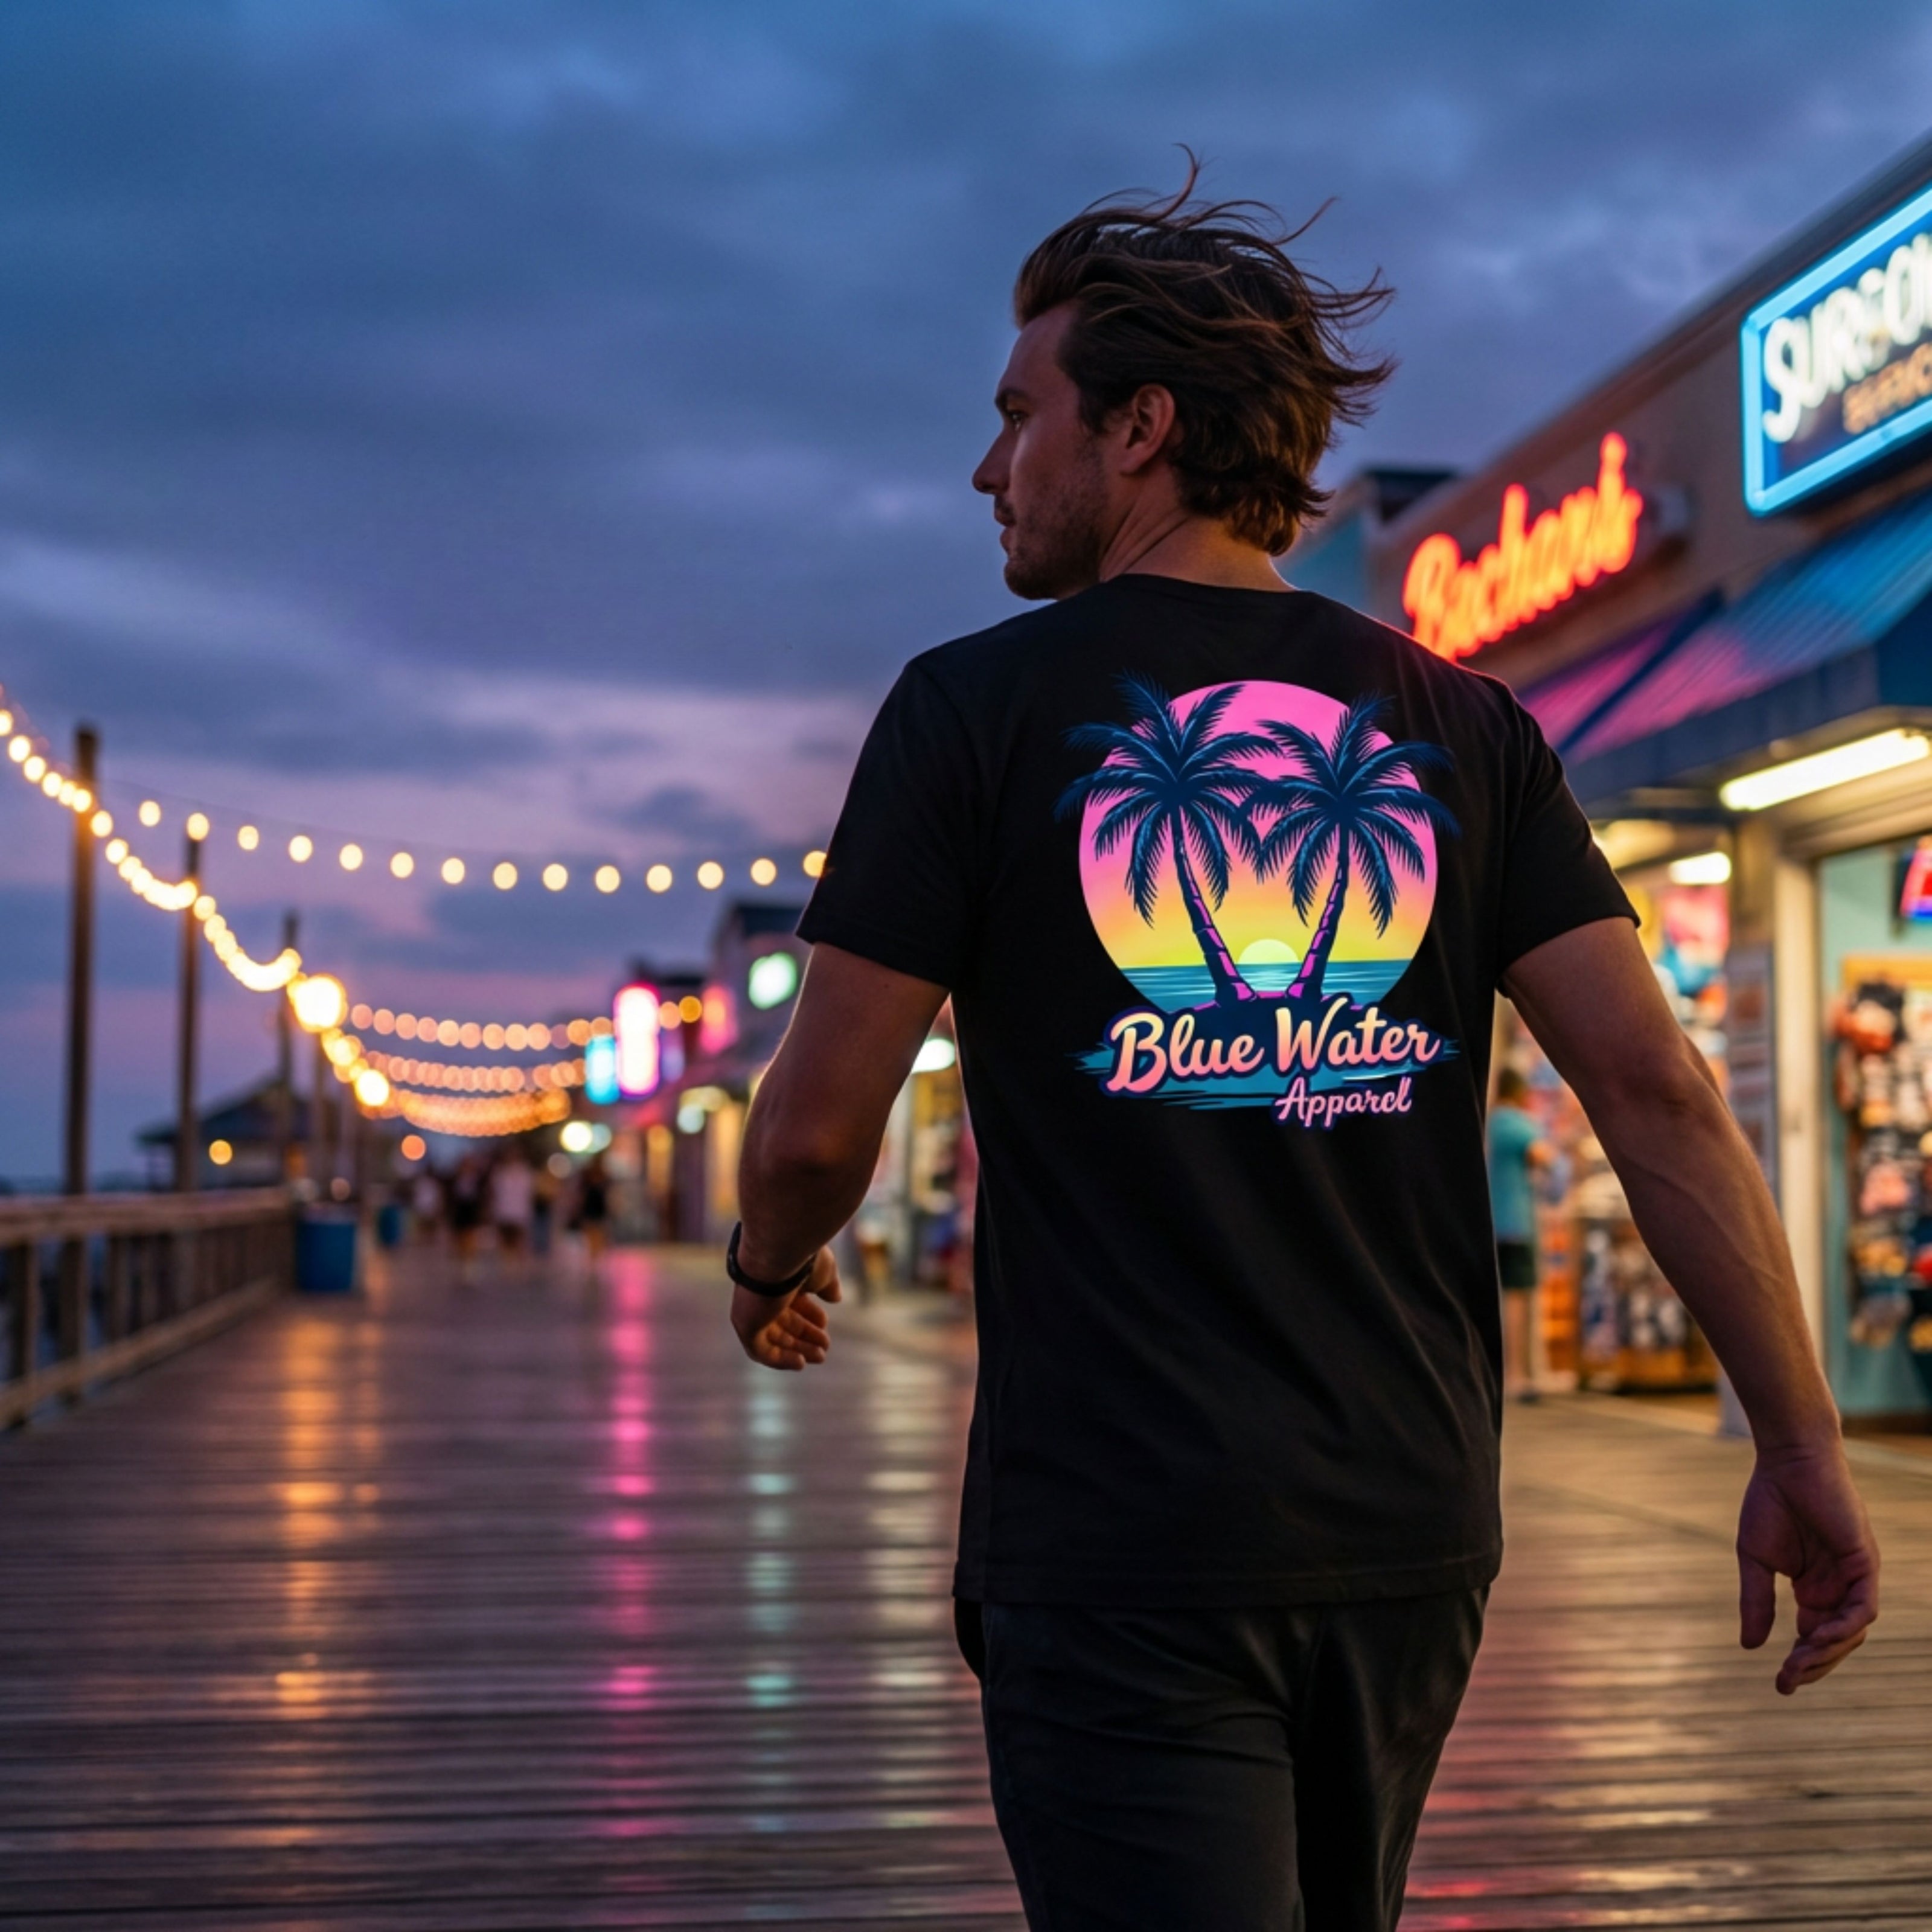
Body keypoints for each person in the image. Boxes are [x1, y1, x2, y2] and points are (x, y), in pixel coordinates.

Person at [725, 174, 1879, 1932]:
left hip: (1119, 1535)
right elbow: (1649, 1088)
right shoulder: (1462, 721)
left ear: (1138, 428)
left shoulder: (970, 709)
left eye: (1014, 415)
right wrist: (1796, 1435)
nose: (988, 469)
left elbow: (814, 1128)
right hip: (1405, 1527)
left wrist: (767, 1256)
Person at [1488, 1065, 1552, 1400]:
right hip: (1516, 1222)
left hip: (1496, 1221)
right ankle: (1518, 1376)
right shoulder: (1514, 1123)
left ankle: (1511, 1374)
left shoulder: (1491, 1122)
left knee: (1507, 1297)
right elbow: (1543, 1157)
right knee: (1517, 1298)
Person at [490, 1148, 534, 1258]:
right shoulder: (500, 1173)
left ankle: (517, 1267)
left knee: (519, 1241)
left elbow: (530, 1194)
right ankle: (507, 1264)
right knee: (505, 1241)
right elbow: (494, 1193)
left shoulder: (525, 1173)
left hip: (520, 1212)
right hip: (504, 1211)